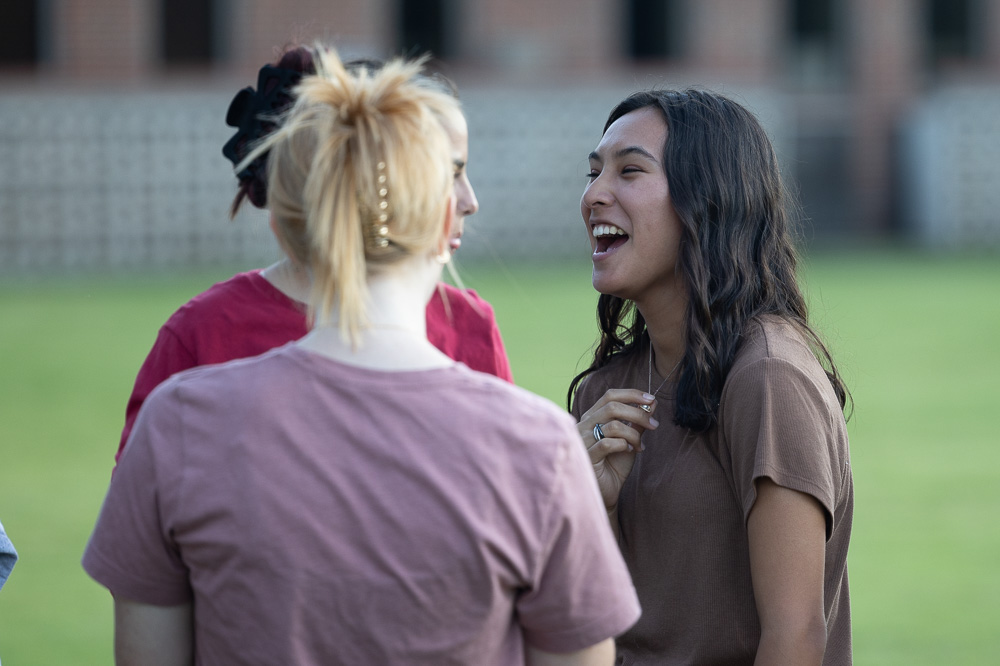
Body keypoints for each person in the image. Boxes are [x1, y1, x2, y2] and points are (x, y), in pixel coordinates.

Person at [83, 45, 640, 664]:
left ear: (289, 216)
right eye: (453, 173)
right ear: (434, 214)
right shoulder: (540, 448)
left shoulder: (177, 423)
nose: (471, 198)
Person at [113, 45, 511, 465]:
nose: (470, 201)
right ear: (365, 177)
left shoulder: (469, 325)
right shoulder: (202, 332)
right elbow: (147, 496)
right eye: (449, 174)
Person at [569, 89, 853, 665]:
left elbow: (795, 638)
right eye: (594, 173)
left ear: (708, 200)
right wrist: (587, 504)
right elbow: (582, 630)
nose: (594, 195)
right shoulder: (605, 394)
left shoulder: (768, 378)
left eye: (629, 171)